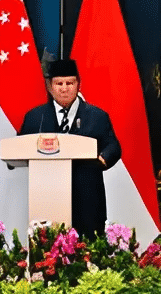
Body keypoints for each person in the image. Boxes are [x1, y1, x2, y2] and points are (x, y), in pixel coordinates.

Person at [19, 59, 121, 239]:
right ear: (50, 87)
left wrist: (100, 161)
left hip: (88, 198)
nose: (64, 88)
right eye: (59, 84)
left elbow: (113, 146)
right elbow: (20, 147)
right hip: (47, 196)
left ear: (78, 85)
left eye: (69, 83)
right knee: (48, 255)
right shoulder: (35, 118)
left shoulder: (97, 116)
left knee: (89, 253)